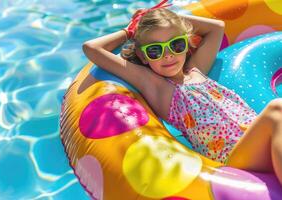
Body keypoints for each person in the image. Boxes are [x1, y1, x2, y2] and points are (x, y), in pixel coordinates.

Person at [82, 0, 282, 185]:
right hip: (234, 156)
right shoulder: (159, 87)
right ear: (143, 56)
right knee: (277, 109)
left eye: (176, 44)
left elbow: (216, 28)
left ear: (186, 46)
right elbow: (91, 48)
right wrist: (130, 30)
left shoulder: (197, 70)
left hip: (257, 140)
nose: (168, 54)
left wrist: (166, 17)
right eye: (155, 50)